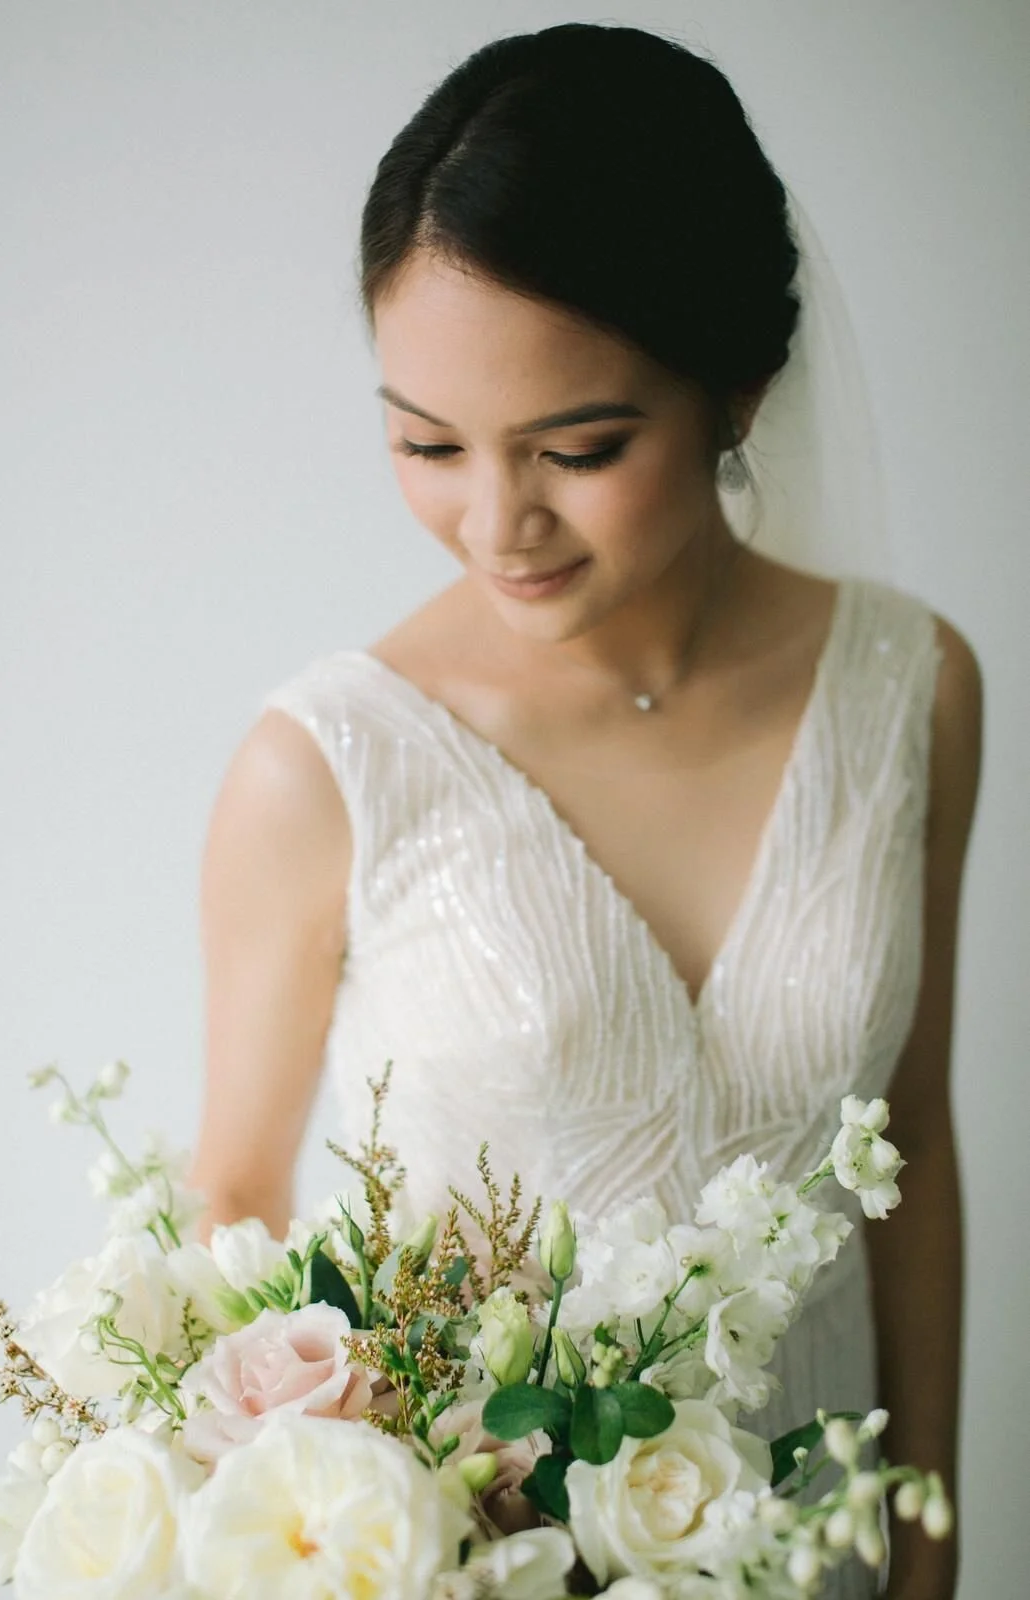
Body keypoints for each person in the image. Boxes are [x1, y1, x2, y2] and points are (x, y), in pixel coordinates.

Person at [186, 24, 979, 1600]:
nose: (496, 522)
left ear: (738, 392)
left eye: (578, 448)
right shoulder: (326, 761)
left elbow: (914, 1133)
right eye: (425, 443)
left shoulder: (911, 689)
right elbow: (232, 1219)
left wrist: (921, 1533)